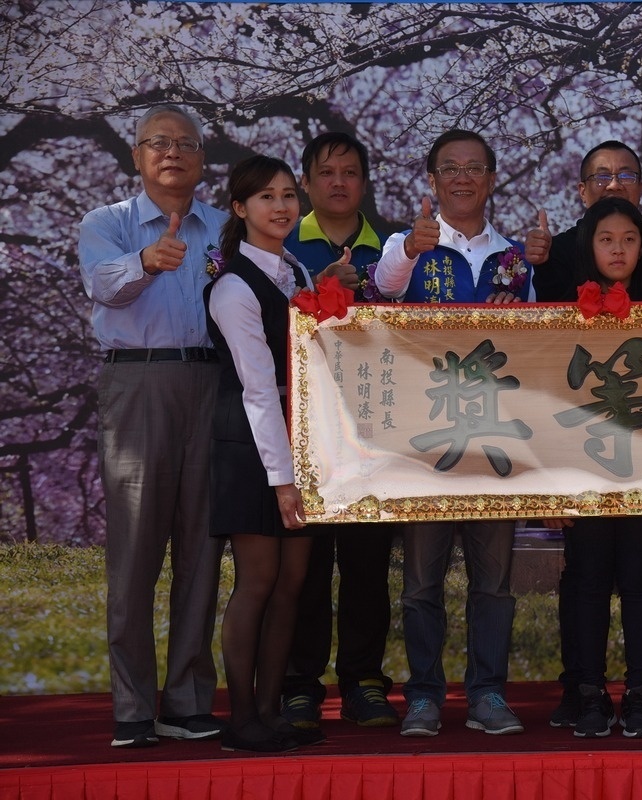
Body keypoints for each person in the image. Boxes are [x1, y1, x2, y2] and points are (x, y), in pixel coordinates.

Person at [372, 129, 537, 736]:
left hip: (496, 439)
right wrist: (411, 252)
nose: (463, 178)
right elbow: (383, 290)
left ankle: (488, 694)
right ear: (433, 181)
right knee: (421, 583)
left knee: (493, 583)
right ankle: (423, 697)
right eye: (450, 168)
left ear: (492, 179)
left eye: (475, 168)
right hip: (428, 441)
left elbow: (536, 347)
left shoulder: (516, 258)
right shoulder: (407, 245)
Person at [78, 104, 226, 749]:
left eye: (185, 144)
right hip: (137, 382)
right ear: (136, 156)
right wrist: (147, 260)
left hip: (214, 387)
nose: (172, 152)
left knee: (202, 548)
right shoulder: (105, 223)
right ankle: (133, 707)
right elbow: (103, 286)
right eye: (157, 143)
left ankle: (188, 700)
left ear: (202, 160)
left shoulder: (225, 226)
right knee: (136, 553)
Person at [534, 140, 642, 730]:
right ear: (586, 247)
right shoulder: (559, 303)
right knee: (587, 577)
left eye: (628, 239)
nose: (617, 249)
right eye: (605, 240)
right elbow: (539, 396)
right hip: (580, 463)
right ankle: (586, 691)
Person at [279, 131, 401, 731]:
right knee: (303, 565)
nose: (338, 182)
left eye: (350, 172)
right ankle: (300, 684)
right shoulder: (279, 245)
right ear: (306, 182)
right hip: (301, 429)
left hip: (372, 430)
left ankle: (363, 680)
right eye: (326, 172)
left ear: (364, 182)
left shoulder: (395, 249)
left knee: (366, 564)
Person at [203, 155, 325, 753]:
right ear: (239, 208)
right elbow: (257, 388)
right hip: (251, 444)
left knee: (292, 582)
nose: (280, 207)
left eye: (287, 196)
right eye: (265, 197)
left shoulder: (296, 273)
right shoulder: (232, 285)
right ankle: (242, 716)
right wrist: (283, 479)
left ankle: (273, 710)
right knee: (257, 581)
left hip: (299, 440)